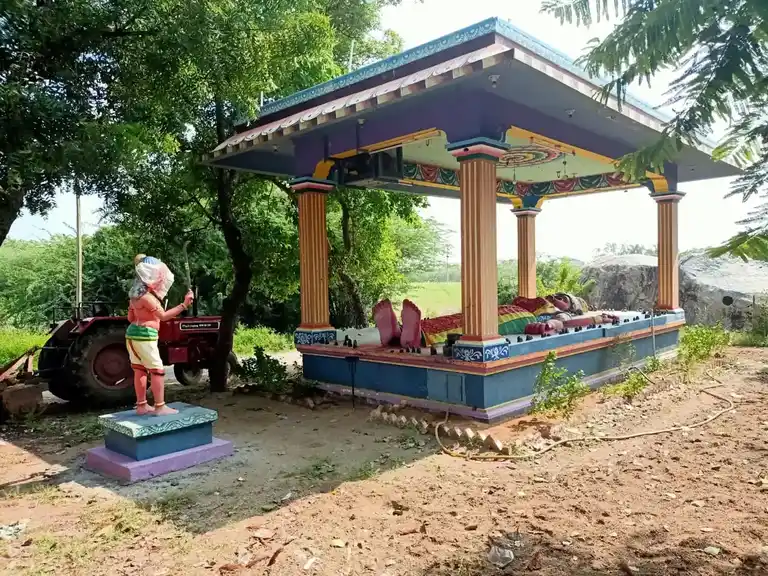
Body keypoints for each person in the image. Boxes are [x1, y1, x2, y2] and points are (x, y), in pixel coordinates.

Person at [126, 255, 194, 415]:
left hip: (131, 336)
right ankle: (160, 406)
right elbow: (163, 316)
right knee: (157, 370)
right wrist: (184, 305)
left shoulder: (134, 297)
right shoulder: (148, 298)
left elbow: (130, 318)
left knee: (139, 369)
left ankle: (142, 405)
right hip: (145, 337)